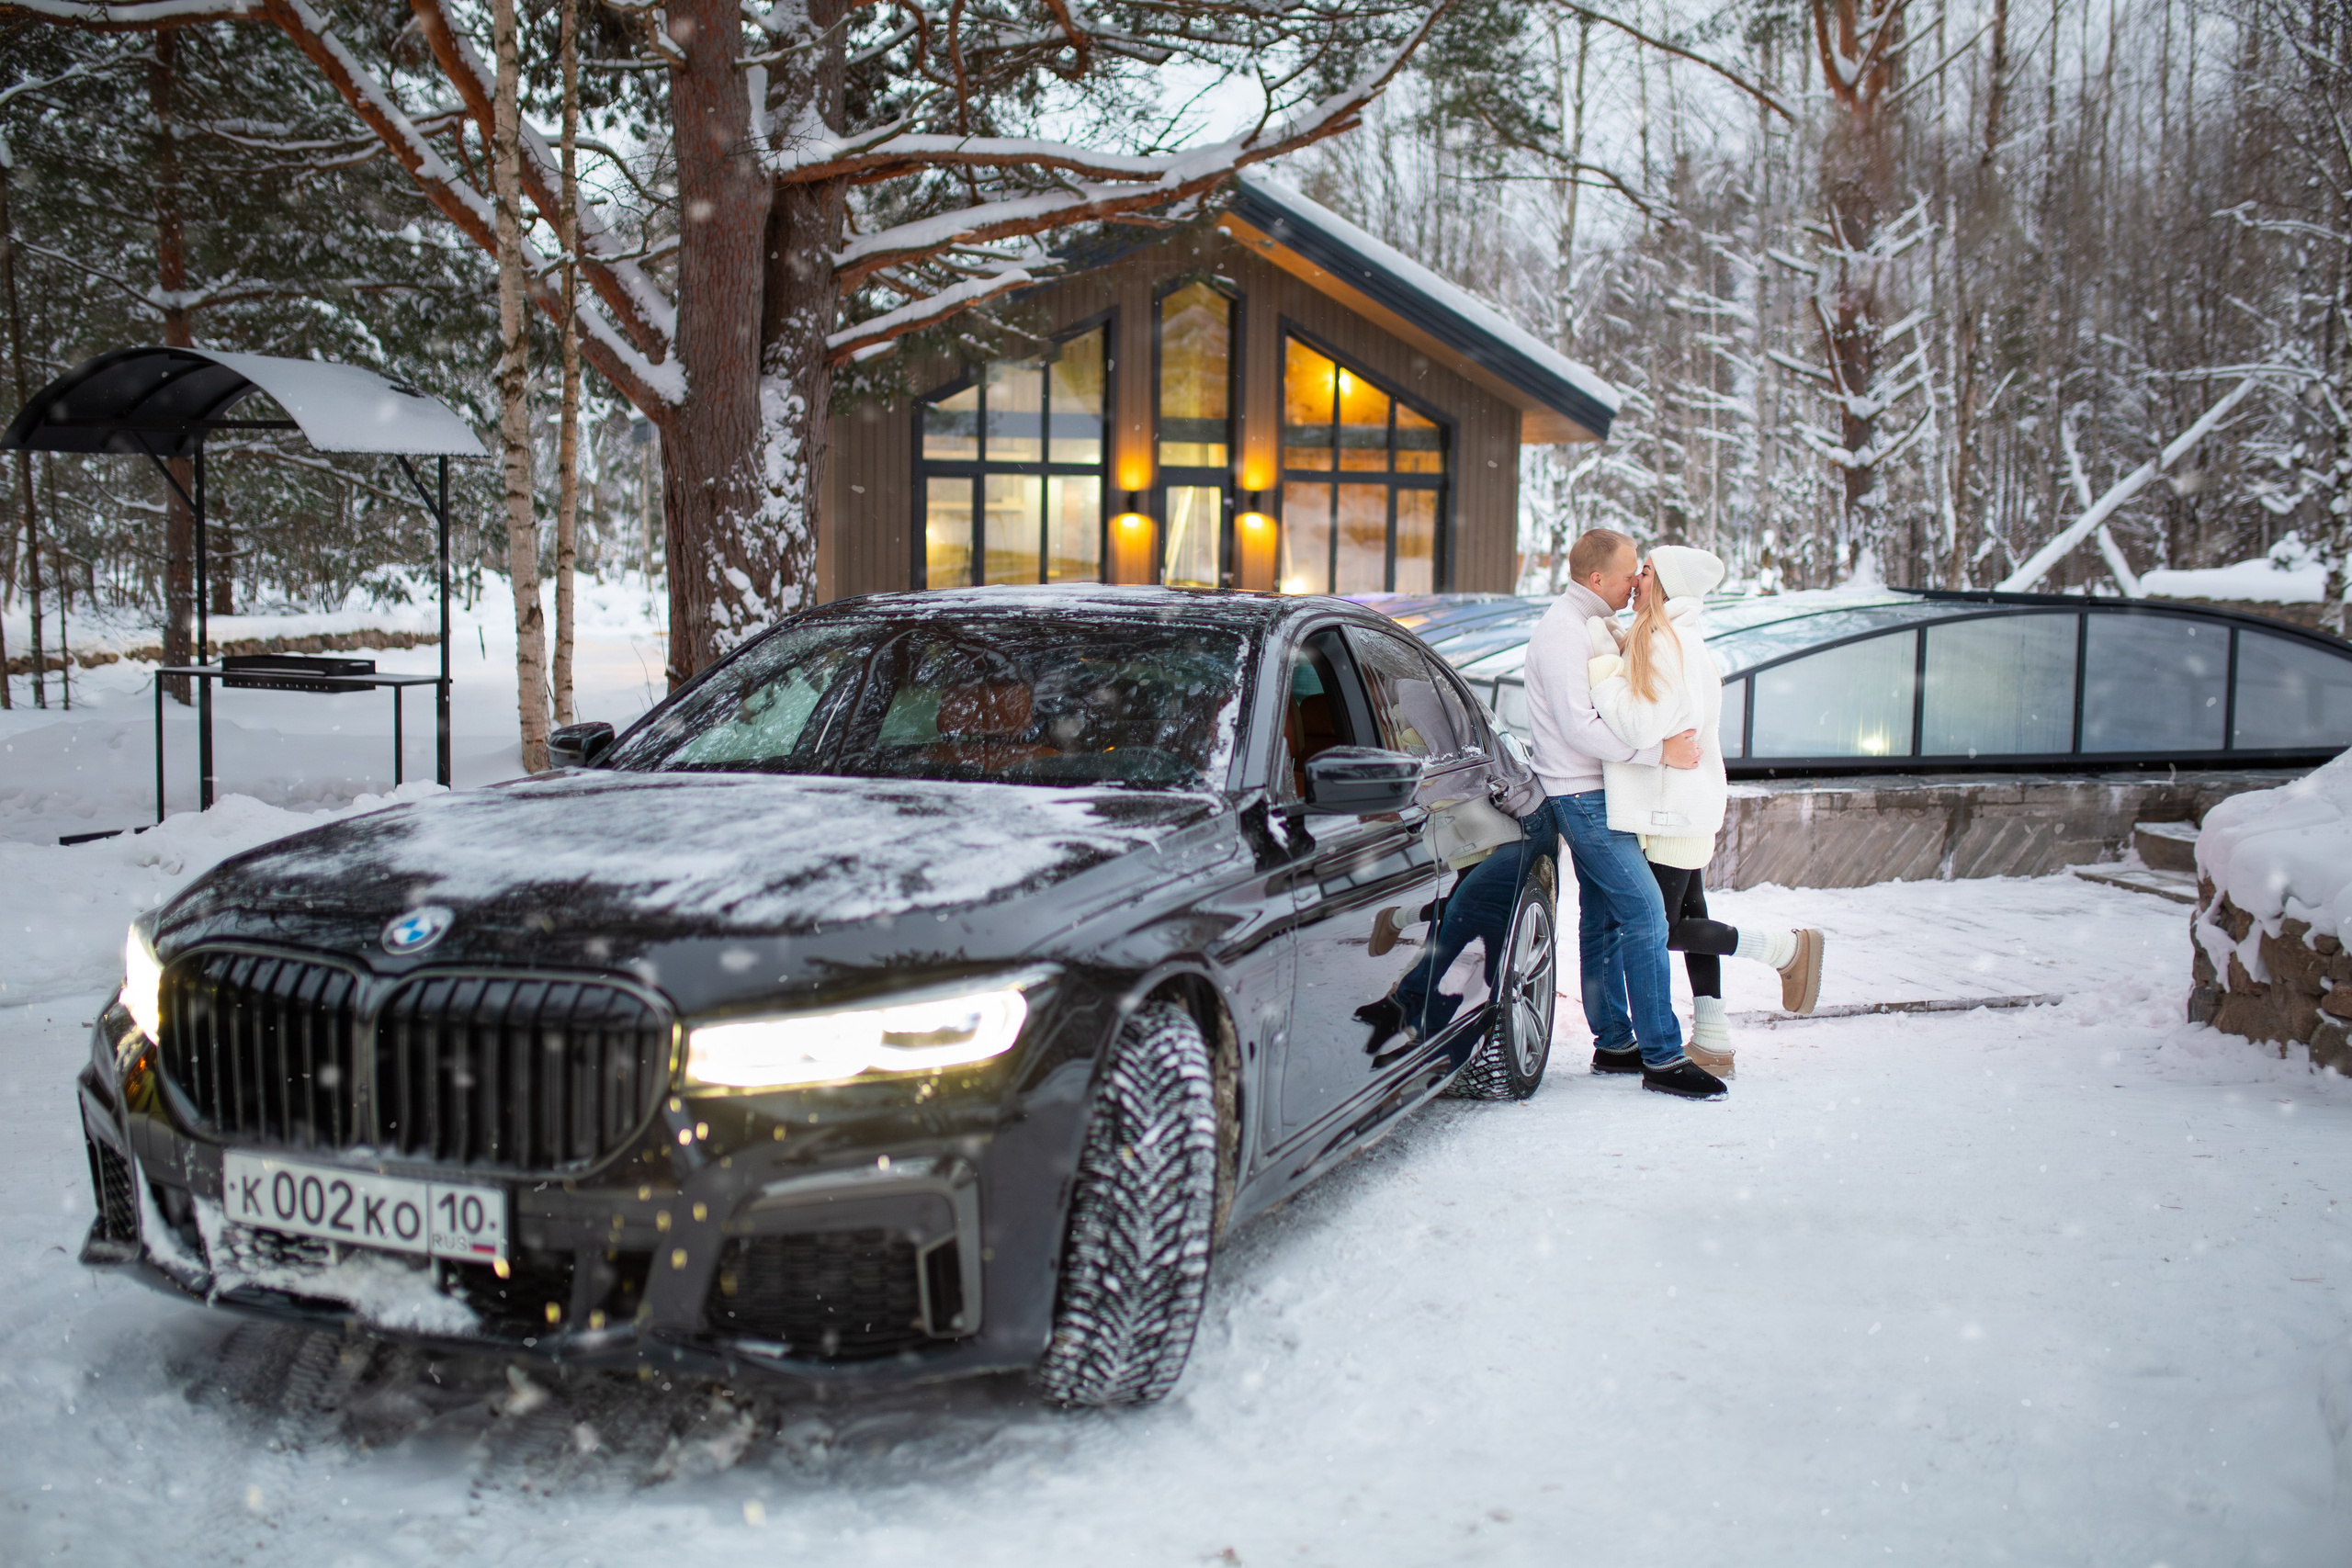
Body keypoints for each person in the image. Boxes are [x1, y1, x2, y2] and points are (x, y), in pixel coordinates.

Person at [1581, 545, 1826, 1078]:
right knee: (1689, 918)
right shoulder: (1679, 639)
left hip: (1670, 809)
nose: (1637, 579)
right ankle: (1713, 1037)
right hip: (1684, 805)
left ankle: (1782, 950)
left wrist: (1603, 673)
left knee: (1655, 928)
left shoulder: (1664, 644)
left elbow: (1640, 726)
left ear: (1665, 584)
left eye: (1646, 572)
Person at [1524, 528, 1724, 1100]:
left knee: (1605, 919)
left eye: (1644, 572)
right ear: (1597, 580)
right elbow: (1578, 726)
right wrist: (1658, 752)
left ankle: (1614, 1043)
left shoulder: (1591, 626)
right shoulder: (1564, 632)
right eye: (1630, 571)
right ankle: (1662, 1056)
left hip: (1598, 791)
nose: (1637, 580)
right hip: (1580, 795)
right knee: (1646, 916)